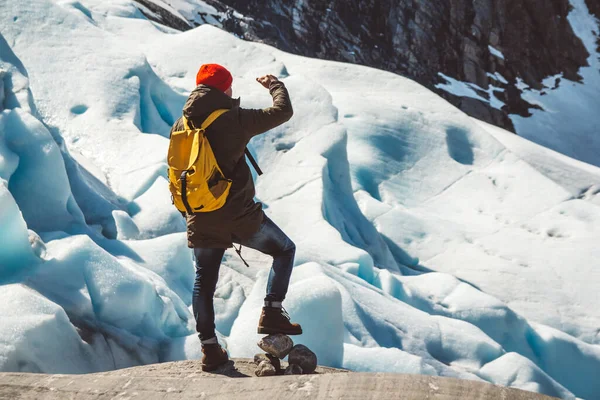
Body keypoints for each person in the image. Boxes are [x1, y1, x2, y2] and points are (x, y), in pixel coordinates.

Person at [169, 64, 302, 372]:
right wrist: (274, 85)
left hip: (201, 215)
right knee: (284, 249)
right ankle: (271, 311)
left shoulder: (181, 124)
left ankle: (210, 349)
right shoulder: (235, 118)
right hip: (239, 215)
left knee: (204, 281)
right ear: (225, 89)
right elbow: (282, 112)